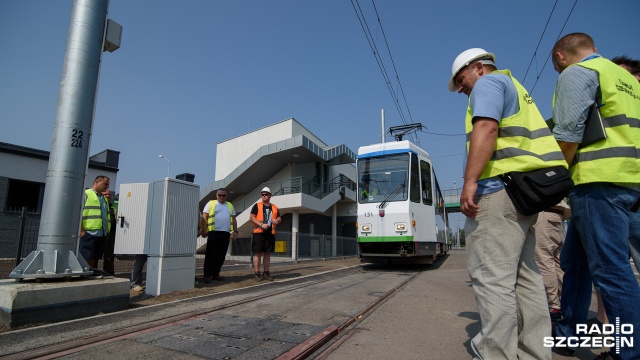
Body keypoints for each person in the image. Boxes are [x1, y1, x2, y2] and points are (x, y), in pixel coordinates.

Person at [449, 47, 567, 360]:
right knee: (526, 278)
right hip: (522, 197)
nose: (460, 88)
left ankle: (496, 353)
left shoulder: (487, 85)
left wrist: (469, 182)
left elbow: (486, 128)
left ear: (477, 68)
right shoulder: (514, 86)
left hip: (498, 193)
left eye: (461, 80)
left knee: (491, 278)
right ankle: (534, 352)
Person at [550, 33, 640, 360]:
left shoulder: (577, 72)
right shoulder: (624, 78)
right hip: (630, 180)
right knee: (575, 261)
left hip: (597, 180)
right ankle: (569, 333)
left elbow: (569, 132)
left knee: (611, 271)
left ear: (561, 57)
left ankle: (627, 352)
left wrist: (554, 179)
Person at [533, 200, 569, 324]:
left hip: (543, 211)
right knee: (559, 264)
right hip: (558, 213)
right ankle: (566, 303)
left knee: (544, 261)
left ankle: (553, 306)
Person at [201, 188, 238, 284]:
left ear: (226, 196)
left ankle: (216, 274)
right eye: (219, 195)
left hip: (225, 233)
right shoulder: (211, 204)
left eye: (223, 195)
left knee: (221, 255)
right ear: (216, 195)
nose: (221, 197)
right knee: (211, 254)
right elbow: (204, 217)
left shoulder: (230, 205)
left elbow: (234, 219)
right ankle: (207, 275)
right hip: (213, 232)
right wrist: (204, 230)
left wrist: (236, 231)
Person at [250, 187, 281, 282]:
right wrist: (261, 224)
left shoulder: (275, 207)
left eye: (266, 194)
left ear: (270, 195)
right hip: (259, 233)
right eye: (262, 194)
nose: (264, 196)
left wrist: (277, 220)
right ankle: (257, 273)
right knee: (258, 253)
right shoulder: (257, 205)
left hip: (270, 233)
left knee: (267, 253)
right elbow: (251, 217)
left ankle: (266, 272)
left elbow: (279, 218)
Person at [80, 175, 110, 272]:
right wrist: (81, 230)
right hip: (89, 232)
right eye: (105, 184)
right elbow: (79, 212)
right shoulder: (86, 194)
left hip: (101, 233)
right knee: (87, 256)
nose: (107, 187)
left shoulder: (104, 198)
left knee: (96, 257)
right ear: (97, 182)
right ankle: (85, 273)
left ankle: (92, 273)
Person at [102, 189, 117, 275]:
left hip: (111, 234)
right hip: (101, 233)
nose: (107, 196)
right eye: (105, 194)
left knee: (110, 254)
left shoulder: (113, 207)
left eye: (109, 194)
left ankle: (108, 272)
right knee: (97, 255)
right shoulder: (101, 205)